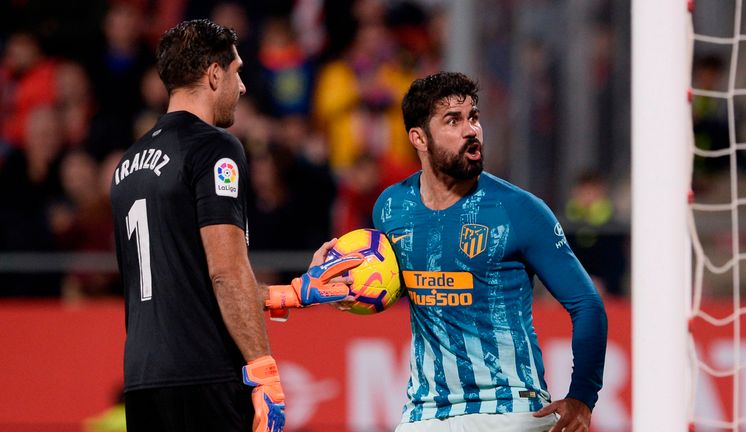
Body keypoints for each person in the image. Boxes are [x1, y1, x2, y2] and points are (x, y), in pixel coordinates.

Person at [111, 19, 358, 432]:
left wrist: (289, 294)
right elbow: (226, 273)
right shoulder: (215, 147)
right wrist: (265, 372)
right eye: (237, 71)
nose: (242, 87)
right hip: (205, 378)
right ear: (213, 74)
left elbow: (185, 288)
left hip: (142, 382)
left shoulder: (126, 166)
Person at [372, 72, 608, 432]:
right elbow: (389, 284)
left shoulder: (519, 210)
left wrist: (583, 396)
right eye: (453, 120)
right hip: (424, 412)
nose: (472, 130)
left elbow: (587, 304)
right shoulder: (391, 208)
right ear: (419, 138)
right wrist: (337, 276)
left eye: (474, 117)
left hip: (509, 409)